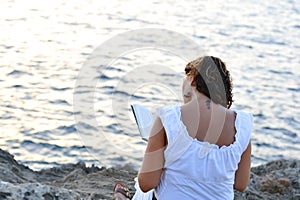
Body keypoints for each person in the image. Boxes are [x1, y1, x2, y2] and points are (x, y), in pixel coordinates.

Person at [114, 56, 253, 200]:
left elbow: (147, 183)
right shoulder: (243, 124)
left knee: (143, 192)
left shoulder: (169, 118)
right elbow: (240, 184)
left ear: (192, 80)